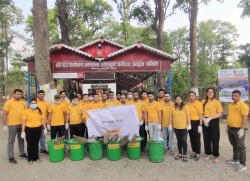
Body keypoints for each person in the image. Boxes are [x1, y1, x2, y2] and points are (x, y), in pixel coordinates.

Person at [3, 89, 28, 164]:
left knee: (21, 139)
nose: (19, 95)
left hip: (22, 125)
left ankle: (22, 154)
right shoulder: (9, 102)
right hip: (12, 125)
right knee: (11, 141)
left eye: (20, 94)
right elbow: (4, 114)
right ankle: (10, 157)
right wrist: (4, 125)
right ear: (13, 94)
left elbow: (26, 114)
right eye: (17, 94)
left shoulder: (23, 102)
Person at [226, 90, 249, 172]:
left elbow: (245, 118)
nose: (234, 97)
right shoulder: (230, 105)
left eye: (236, 96)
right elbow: (230, 116)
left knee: (241, 146)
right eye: (233, 95)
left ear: (240, 96)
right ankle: (236, 158)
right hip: (230, 128)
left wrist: (242, 129)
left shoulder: (243, 105)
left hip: (238, 129)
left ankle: (243, 164)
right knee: (234, 144)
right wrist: (227, 126)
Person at [21, 98, 47, 164]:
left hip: (38, 129)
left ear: (37, 104)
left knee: (36, 144)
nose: (33, 104)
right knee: (30, 144)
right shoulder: (26, 111)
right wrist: (23, 131)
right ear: (30, 104)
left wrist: (45, 128)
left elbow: (42, 120)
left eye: (35, 103)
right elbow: (23, 122)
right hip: (29, 130)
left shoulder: (39, 111)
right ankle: (30, 158)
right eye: (32, 103)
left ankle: (36, 157)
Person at [202, 87, 222, 163]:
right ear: (206, 93)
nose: (210, 93)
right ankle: (208, 153)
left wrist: (210, 118)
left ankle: (216, 155)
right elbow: (201, 112)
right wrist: (204, 119)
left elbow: (219, 113)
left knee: (215, 139)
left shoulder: (217, 102)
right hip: (205, 121)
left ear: (214, 93)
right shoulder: (203, 101)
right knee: (206, 138)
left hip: (214, 121)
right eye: (208, 92)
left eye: (211, 92)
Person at [169, 95, 191, 162]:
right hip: (176, 127)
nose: (178, 100)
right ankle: (180, 153)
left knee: (184, 140)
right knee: (179, 140)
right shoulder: (173, 107)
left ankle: (184, 154)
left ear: (181, 100)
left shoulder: (185, 107)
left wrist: (189, 124)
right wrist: (170, 124)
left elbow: (188, 116)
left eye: (179, 99)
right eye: (177, 99)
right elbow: (170, 116)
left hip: (184, 127)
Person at [186, 91, 203, 161]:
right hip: (190, 123)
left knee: (197, 138)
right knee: (191, 138)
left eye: (193, 96)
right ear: (188, 97)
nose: (191, 97)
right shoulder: (187, 104)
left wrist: (200, 125)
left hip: (197, 122)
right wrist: (188, 124)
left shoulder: (198, 104)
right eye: (190, 96)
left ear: (195, 97)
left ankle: (198, 153)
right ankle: (194, 151)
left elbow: (200, 114)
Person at [37, 90, 49, 154]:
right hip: (36, 122)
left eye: (42, 94)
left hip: (44, 122)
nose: (41, 95)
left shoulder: (46, 103)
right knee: (36, 136)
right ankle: (35, 149)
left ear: (44, 95)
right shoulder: (34, 102)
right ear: (37, 95)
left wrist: (48, 122)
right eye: (40, 94)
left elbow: (48, 112)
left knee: (43, 136)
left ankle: (43, 149)